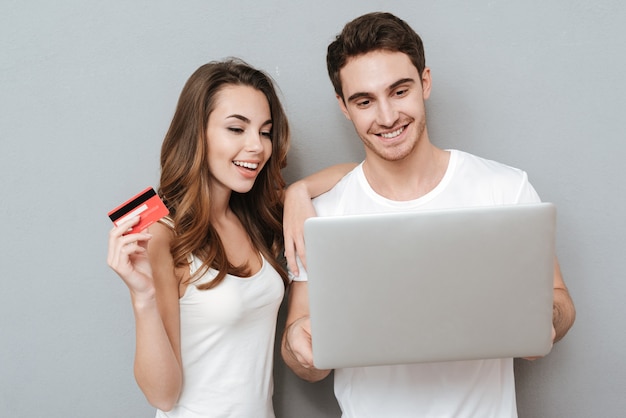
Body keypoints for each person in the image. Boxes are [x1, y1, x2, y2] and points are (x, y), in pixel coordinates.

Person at [281, 12, 576, 418]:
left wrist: (548, 321)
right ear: (344, 107)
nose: (386, 117)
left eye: (399, 91)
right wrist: (300, 346)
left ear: (425, 82)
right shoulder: (322, 216)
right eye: (364, 101)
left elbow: (560, 300)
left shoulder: (503, 189)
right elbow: (300, 349)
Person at [107, 59, 352, 418]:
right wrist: (142, 298)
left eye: (265, 132)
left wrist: (299, 191)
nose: (256, 146)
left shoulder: (254, 217)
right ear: (198, 134)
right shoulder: (163, 236)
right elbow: (162, 395)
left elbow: (356, 173)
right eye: (237, 129)